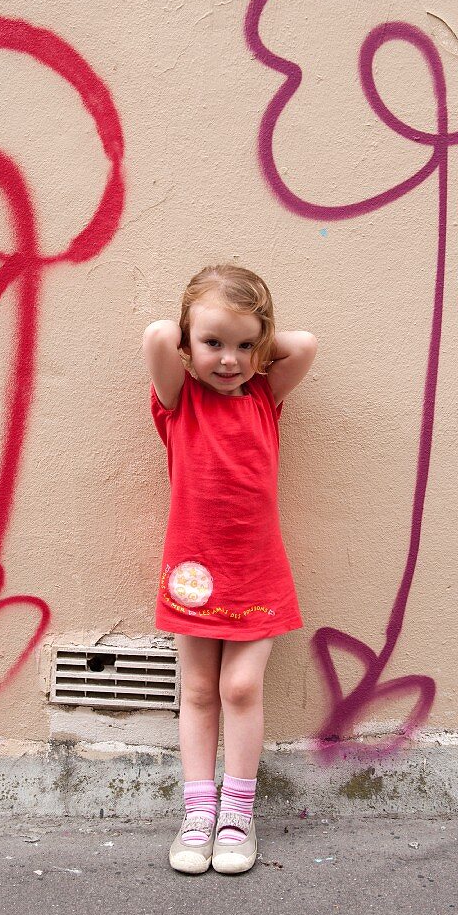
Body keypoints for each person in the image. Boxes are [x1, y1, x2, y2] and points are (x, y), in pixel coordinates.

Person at [143, 263, 318, 875]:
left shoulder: (266, 399)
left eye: (246, 346)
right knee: (196, 690)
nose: (230, 359)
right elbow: (158, 334)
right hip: (194, 571)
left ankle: (237, 812)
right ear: (190, 345)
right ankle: (197, 812)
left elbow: (305, 345)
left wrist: (260, 348)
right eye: (214, 343)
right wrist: (192, 339)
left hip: (256, 570)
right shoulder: (179, 401)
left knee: (241, 688)